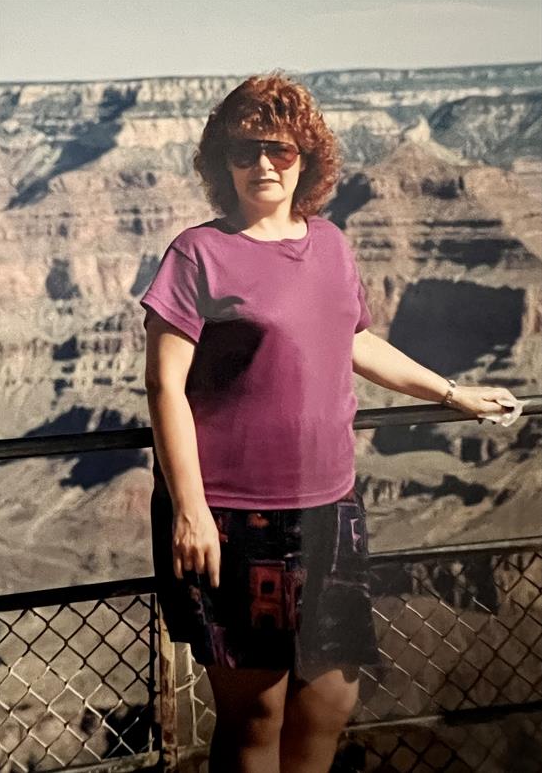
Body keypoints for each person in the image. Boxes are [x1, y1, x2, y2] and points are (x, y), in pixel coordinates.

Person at [140, 73, 516, 773]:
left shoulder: (330, 244)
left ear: (305, 160)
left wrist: (450, 393)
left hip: (328, 507)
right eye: (244, 150)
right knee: (256, 715)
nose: (262, 165)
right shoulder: (198, 253)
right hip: (232, 515)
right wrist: (189, 511)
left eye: (279, 151)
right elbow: (164, 385)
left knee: (329, 703)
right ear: (221, 161)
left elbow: (352, 341)